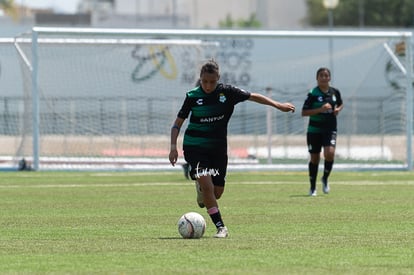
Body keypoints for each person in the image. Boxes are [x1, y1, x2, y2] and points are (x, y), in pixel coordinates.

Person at [169, 59, 295, 238]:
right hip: (194, 147)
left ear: (218, 78)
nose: (208, 85)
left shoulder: (227, 92)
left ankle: (202, 189)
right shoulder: (192, 96)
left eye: (212, 82)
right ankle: (221, 227)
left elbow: (253, 96)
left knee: (216, 192)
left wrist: (278, 105)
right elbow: (177, 125)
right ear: (200, 78)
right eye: (205, 81)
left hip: (217, 149)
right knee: (207, 185)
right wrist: (173, 147)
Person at [301, 67, 344, 197]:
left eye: (326, 75)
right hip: (314, 130)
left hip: (330, 128)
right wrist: (320, 109)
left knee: (329, 153)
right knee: (315, 158)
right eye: (321, 76)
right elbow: (304, 112)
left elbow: (341, 104)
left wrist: (338, 110)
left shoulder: (334, 92)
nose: (324, 78)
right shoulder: (313, 93)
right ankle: (312, 187)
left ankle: (325, 178)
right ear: (317, 78)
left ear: (329, 78)